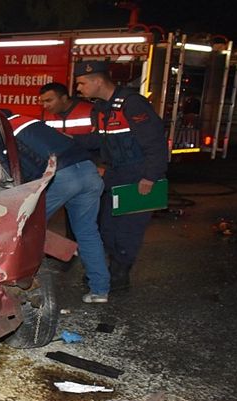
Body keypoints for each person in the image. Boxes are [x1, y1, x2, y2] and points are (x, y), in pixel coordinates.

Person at [72, 61, 168, 291]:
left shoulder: (132, 105)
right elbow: (99, 141)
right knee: (107, 228)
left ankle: (119, 276)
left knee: (127, 231)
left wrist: (150, 177)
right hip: (115, 174)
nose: (78, 89)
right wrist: (68, 139)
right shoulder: (101, 109)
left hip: (138, 175)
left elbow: (155, 142)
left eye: (82, 83)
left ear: (97, 81)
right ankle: (106, 272)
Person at [4, 112, 111, 302]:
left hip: (60, 176)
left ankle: (19, 285)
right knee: (88, 232)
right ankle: (100, 290)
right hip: (89, 171)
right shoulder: (32, 122)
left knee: (24, 230)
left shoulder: (1, 130)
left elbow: (8, 168)